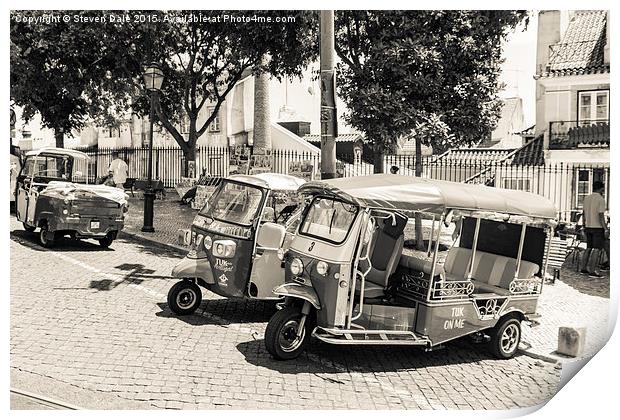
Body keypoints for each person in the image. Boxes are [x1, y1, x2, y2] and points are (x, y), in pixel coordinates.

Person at [579, 181, 610, 278]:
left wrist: (584, 225)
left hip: (588, 226)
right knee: (596, 249)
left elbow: (583, 213)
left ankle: (583, 268)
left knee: (588, 248)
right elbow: (601, 215)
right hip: (597, 227)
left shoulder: (587, 198)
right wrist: (605, 229)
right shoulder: (601, 199)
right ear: (601, 188)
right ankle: (592, 271)